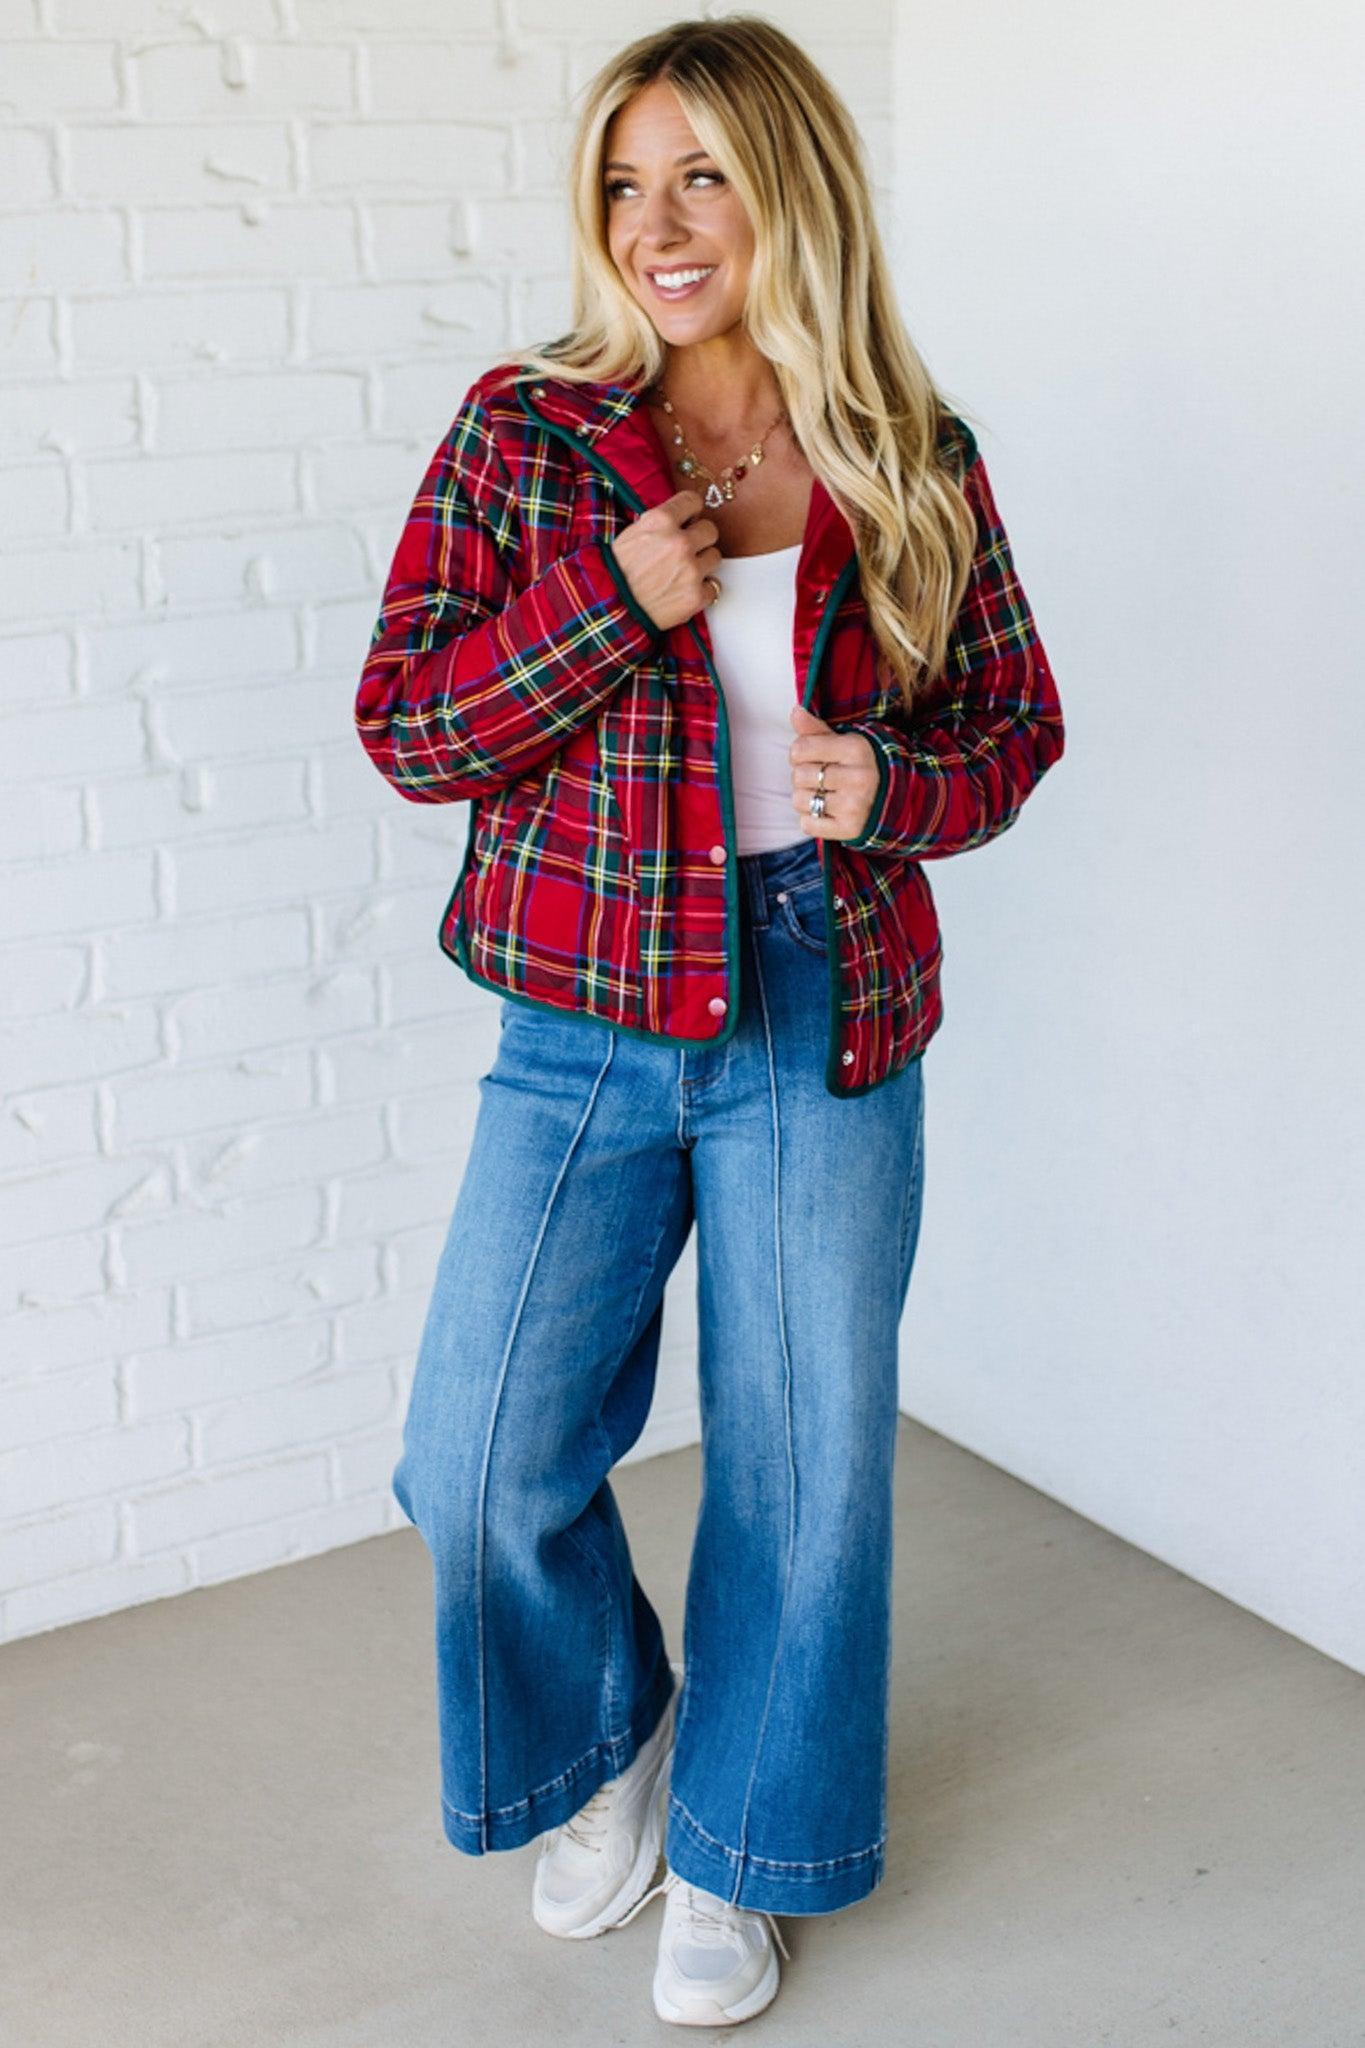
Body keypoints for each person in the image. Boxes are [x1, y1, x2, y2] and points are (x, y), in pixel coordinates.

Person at [354, 13, 1065, 2030]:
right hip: (582, 1011)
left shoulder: (905, 451)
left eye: (699, 178)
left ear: (786, 194)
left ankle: (750, 1850)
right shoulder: (529, 434)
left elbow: (1010, 726)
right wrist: (612, 597)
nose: (655, 225)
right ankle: (615, 1749)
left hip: (822, 1010)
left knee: (802, 1464)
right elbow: (410, 725)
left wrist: (891, 791)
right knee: (473, 1453)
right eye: (621, 182)